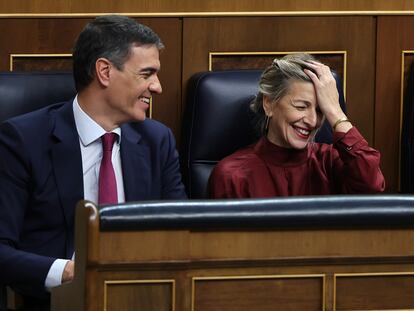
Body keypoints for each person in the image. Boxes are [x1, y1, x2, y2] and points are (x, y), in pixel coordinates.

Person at [0, 15, 187, 310]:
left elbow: (181, 235)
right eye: (147, 73)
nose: (158, 87)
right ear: (104, 71)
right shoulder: (23, 140)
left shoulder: (157, 141)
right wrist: (68, 273)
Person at [209, 53, 385, 198]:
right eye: (301, 106)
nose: (312, 121)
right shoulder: (232, 175)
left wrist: (335, 112)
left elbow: (373, 190)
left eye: (320, 111)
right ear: (269, 103)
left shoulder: (331, 162)